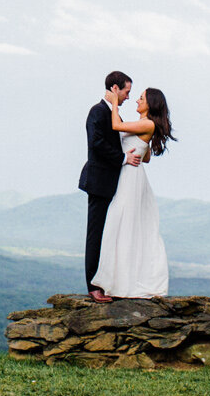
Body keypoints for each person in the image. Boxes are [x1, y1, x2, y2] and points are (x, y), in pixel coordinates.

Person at [90, 86, 174, 299]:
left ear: (151, 103)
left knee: (121, 223)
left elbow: (116, 125)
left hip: (130, 177)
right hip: (130, 173)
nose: (137, 100)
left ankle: (121, 281)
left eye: (141, 98)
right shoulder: (145, 125)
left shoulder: (147, 123)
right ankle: (119, 279)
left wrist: (114, 101)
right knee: (123, 225)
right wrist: (136, 149)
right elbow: (145, 157)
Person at [79, 71, 139, 300]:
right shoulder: (97, 111)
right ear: (115, 88)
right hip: (99, 181)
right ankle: (93, 286)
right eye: (126, 92)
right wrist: (123, 158)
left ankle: (105, 282)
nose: (128, 97)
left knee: (108, 234)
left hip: (113, 183)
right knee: (96, 234)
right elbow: (96, 144)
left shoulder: (113, 114)